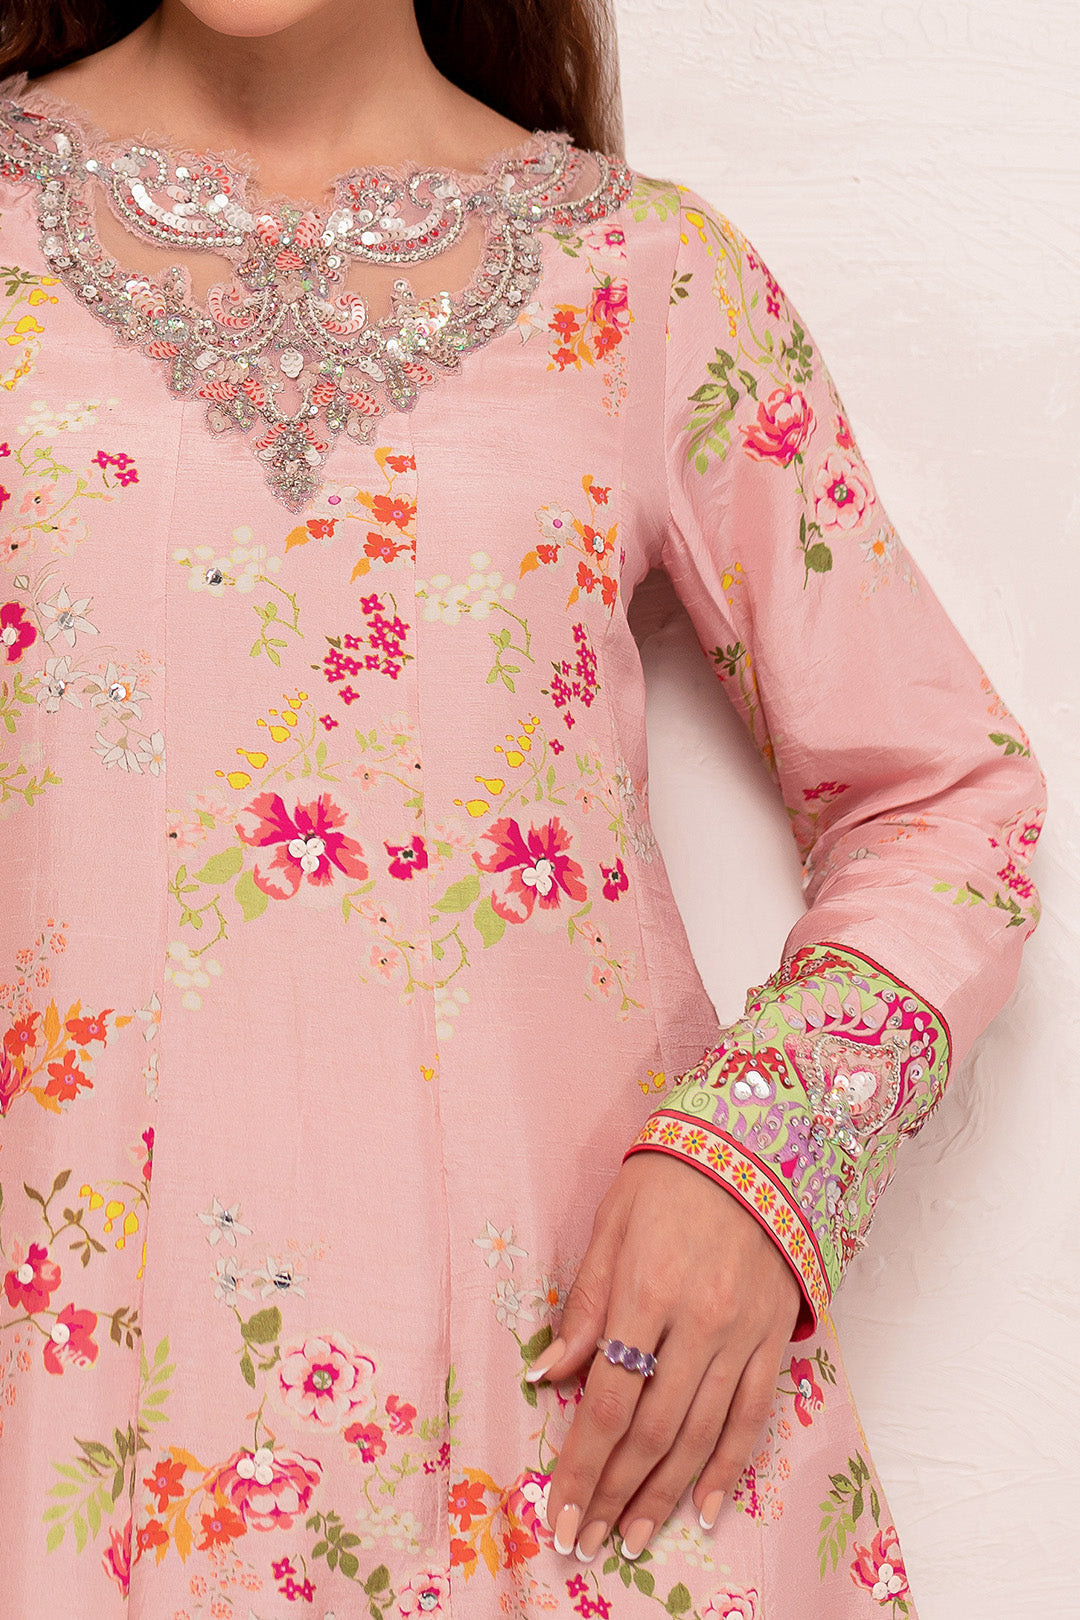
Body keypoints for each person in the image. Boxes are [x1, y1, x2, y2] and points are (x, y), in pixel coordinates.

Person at [0, 3, 1045, 1616]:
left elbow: (948, 800)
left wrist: (760, 1162)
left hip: (563, 1438)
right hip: (60, 1409)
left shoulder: (643, 284)